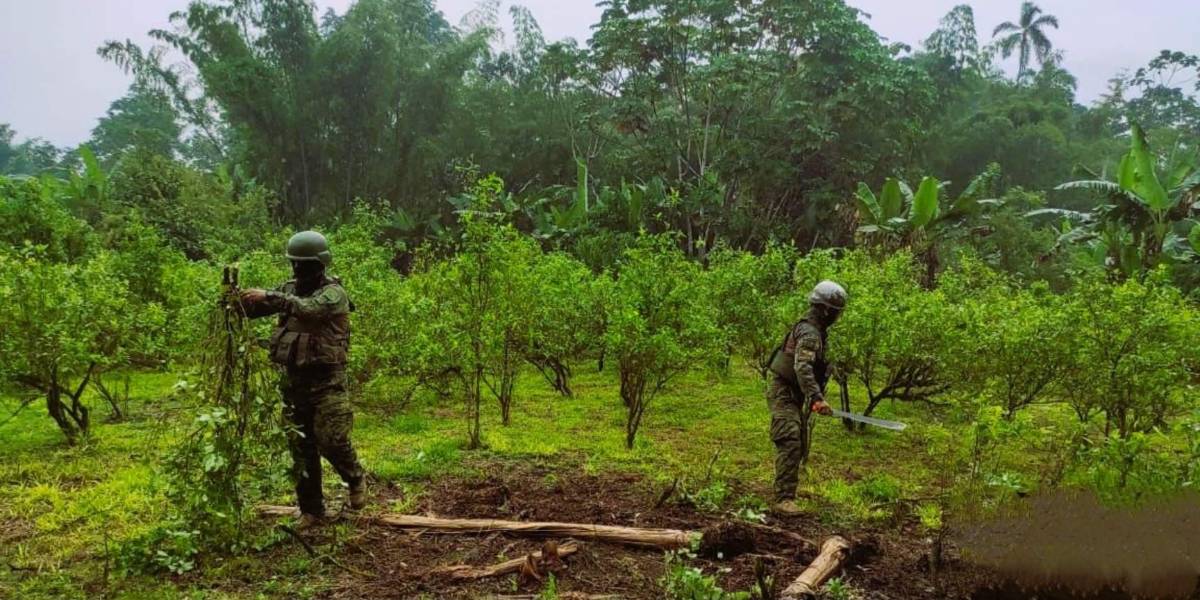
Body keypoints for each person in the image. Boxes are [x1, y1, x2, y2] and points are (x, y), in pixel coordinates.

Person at [240, 231, 366, 528]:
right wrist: (238, 301)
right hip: (294, 381)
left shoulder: (333, 294)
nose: (298, 269)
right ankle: (311, 510)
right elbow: (257, 309)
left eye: (305, 264)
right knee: (300, 447)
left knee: (331, 439)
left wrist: (270, 296)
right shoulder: (289, 289)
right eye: (295, 263)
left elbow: (309, 310)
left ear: (320, 265)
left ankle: (355, 478)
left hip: (328, 381)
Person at [766, 280, 847, 515]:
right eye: (836, 312)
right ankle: (783, 499)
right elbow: (802, 367)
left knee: (796, 439)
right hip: (784, 390)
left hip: (793, 391)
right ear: (826, 310)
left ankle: (786, 493)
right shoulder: (810, 333)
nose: (837, 317)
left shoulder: (815, 331)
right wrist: (817, 397)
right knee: (790, 437)